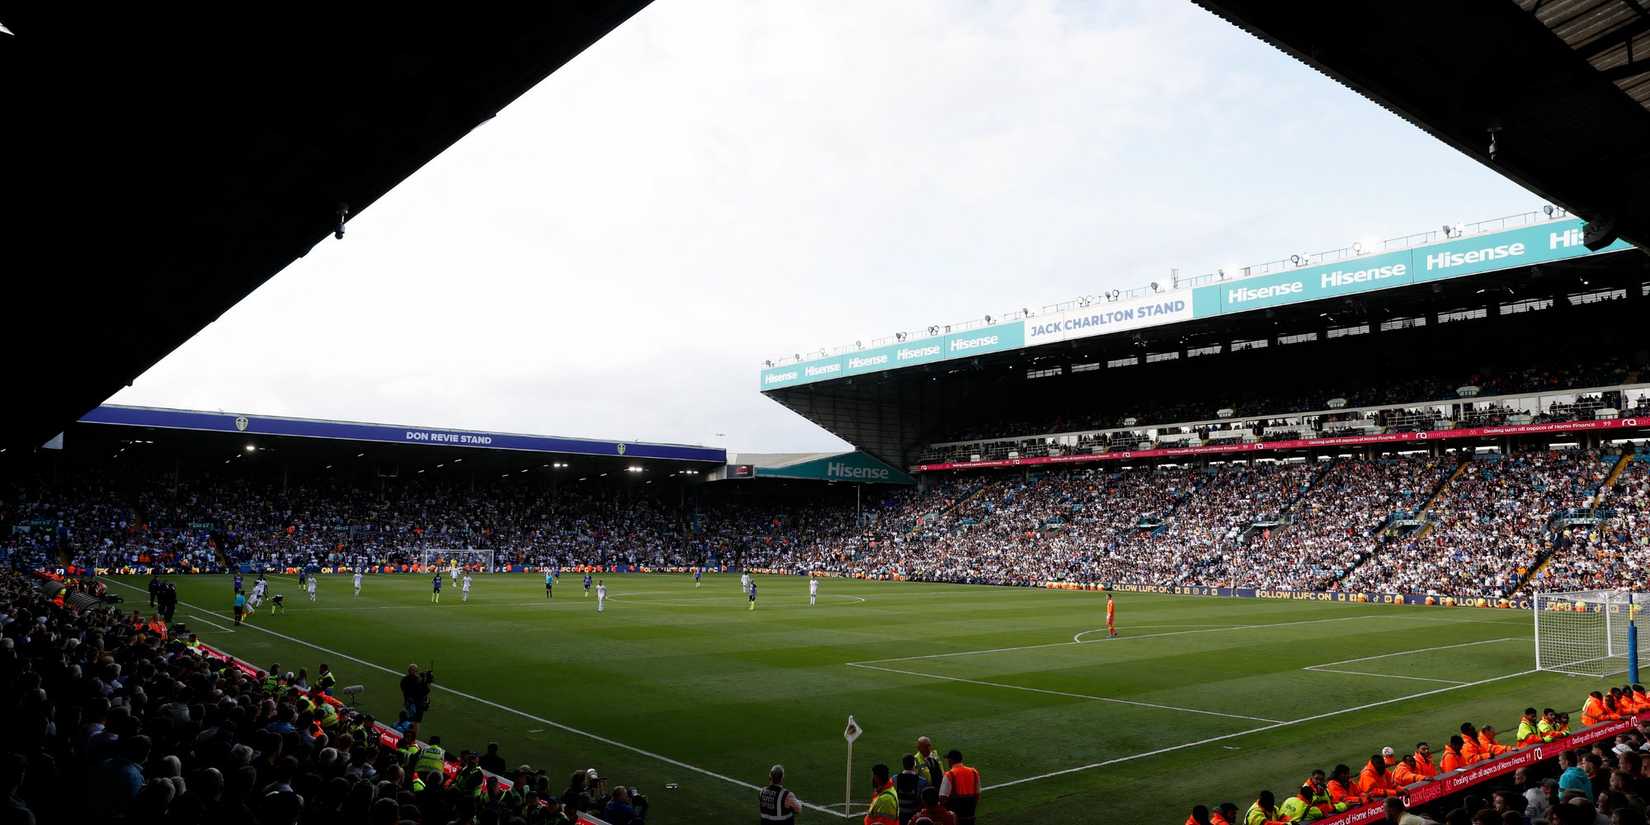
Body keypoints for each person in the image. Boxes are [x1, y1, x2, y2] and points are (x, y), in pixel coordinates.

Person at [938, 750, 979, 825]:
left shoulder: (949, 774)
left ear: (951, 760)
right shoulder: (974, 772)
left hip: (955, 817)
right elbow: (977, 794)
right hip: (970, 815)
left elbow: (942, 798)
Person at [895, 755, 924, 824]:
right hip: (914, 817)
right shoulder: (922, 781)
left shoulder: (894, 779)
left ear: (903, 764)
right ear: (914, 764)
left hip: (899, 816)